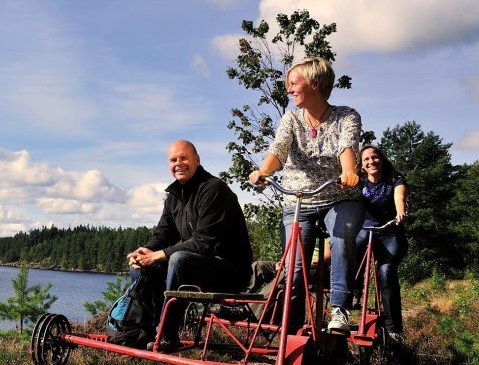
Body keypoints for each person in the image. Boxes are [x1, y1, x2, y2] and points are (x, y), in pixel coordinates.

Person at [248, 57, 364, 334]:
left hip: (339, 195)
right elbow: (279, 148)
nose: (289, 89)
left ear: (315, 83)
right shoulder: (291, 118)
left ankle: (340, 309)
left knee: (341, 235)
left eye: (293, 83)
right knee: (294, 263)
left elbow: (347, 146)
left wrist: (349, 172)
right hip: (298, 198)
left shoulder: (346, 116)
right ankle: (293, 323)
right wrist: (263, 171)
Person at [127, 139, 253, 351]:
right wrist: (143, 252)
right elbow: (163, 233)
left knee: (179, 259)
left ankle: (167, 335)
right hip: (200, 266)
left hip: (231, 271)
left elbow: (204, 242)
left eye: (184, 158)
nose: (179, 163)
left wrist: (159, 255)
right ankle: (143, 331)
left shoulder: (213, 189)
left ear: (197, 159)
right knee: (141, 266)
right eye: (173, 160)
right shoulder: (175, 195)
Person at [355, 145, 408, 345]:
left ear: (382, 159)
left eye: (374, 157)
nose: (371, 162)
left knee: (386, 272)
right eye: (366, 159)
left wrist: (400, 212)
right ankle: (354, 291)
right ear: (362, 165)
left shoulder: (395, 179)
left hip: (390, 235)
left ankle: (394, 330)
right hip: (366, 232)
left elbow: (399, 197)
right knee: (352, 246)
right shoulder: (360, 184)